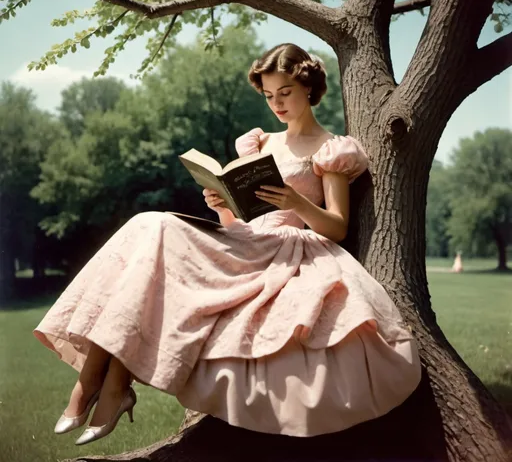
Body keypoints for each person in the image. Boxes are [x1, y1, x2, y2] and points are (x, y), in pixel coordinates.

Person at [34, 43, 422, 446]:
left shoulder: (331, 149)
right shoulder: (256, 144)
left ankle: (107, 387)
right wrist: (220, 204)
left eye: (285, 93)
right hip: (246, 240)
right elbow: (240, 221)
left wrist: (296, 201)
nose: (277, 104)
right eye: (269, 96)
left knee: (156, 227)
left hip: (288, 247)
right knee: (148, 225)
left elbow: (338, 227)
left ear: (307, 87)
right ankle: (98, 380)